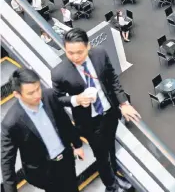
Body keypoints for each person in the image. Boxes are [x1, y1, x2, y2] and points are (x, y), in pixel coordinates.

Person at [51, 28, 141, 192]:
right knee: (101, 155)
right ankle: (111, 185)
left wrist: (123, 104)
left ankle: (114, 174)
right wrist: (76, 100)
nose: (75, 57)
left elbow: (112, 78)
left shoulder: (100, 54)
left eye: (80, 52)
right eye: (70, 53)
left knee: (110, 147)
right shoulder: (59, 73)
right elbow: (57, 99)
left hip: (110, 113)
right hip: (89, 122)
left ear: (88, 46)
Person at [1, 68, 84, 192]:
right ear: (17, 94)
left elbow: (64, 122)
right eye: (31, 93)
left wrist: (77, 145)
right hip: (43, 172)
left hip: (66, 159)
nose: (37, 95)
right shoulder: (11, 122)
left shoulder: (49, 96)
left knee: (72, 187)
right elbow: (7, 161)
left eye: (38, 88)